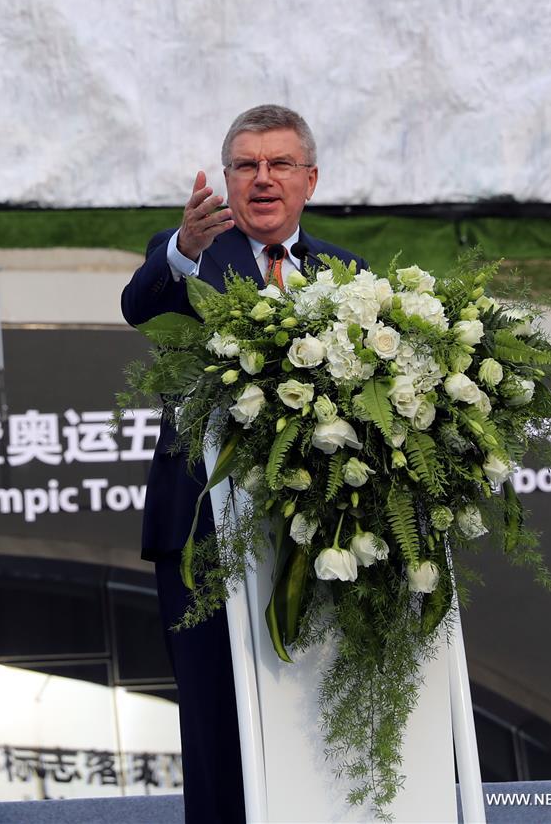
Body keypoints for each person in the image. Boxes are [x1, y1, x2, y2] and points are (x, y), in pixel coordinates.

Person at [121, 104, 367, 824]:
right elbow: (141, 303)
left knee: (315, 721)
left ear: (309, 178)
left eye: (279, 164)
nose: (262, 179)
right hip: (205, 535)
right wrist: (179, 249)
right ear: (225, 179)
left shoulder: (348, 274)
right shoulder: (194, 255)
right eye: (245, 165)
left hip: (317, 536)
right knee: (216, 726)